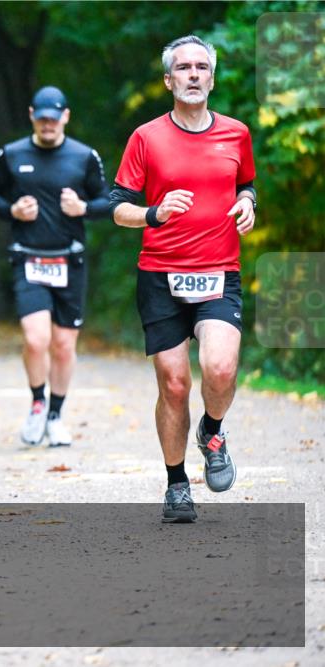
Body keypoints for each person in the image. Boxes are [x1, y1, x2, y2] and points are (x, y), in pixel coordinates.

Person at [110, 35, 256, 523]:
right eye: (183, 68)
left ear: (211, 78)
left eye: (201, 67)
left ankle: (212, 430)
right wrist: (153, 212)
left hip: (219, 274)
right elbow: (117, 209)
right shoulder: (146, 138)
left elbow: (246, 182)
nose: (193, 74)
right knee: (174, 384)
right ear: (169, 80)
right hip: (160, 276)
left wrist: (248, 203)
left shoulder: (236, 133)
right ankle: (176, 485)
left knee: (219, 370)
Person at [0, 86, 110, 447]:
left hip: (70, 258)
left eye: (54, 118)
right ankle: (37, 403)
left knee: (64, 346)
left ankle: (56, 415)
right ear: (32, 116)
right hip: (28, 256)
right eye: (42, 118)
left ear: (65, 117)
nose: (48, 124)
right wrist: (11, 210)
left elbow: (108, 200)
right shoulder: (12, 153)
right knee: (36, 339)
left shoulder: (85, 156)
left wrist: (83, 208)